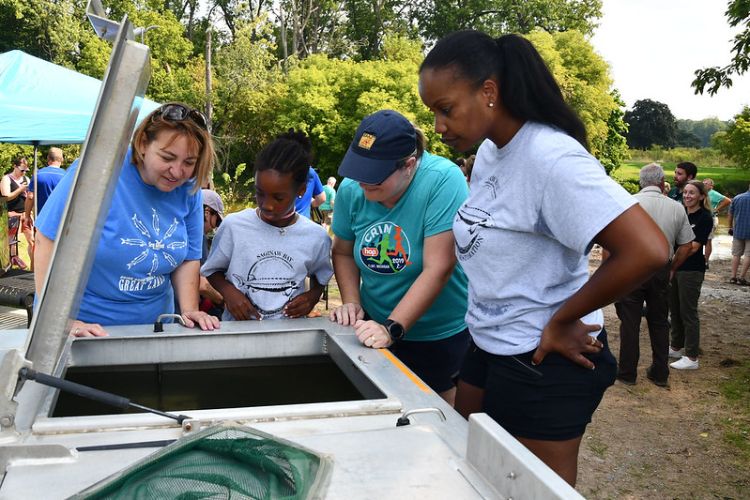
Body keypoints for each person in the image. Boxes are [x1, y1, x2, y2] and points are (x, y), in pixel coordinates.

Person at [418, 30, 668, 485]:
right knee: (472, 470)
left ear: (489, 92)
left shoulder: (551, 158)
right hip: (490, 344)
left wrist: (562, 318)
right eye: (433, 112)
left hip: (542, 359)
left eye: (445, 109)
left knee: (530, 491)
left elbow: (647, 249)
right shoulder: (493, 151)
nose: (438, 125)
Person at [35, 102, 220, 337]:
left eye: (189, 163)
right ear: (143, 144)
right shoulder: (99, 168)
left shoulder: (189, 187)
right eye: (167, 157)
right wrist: (61, 321)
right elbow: (46, 240)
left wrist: (190, 309)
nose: (177, 171)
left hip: (156, 327)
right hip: (87, 328)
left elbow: (188, 258)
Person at [329, 109, 470, 405]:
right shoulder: (352, 189)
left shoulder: (442, 180)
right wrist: (353, 302)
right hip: (374, 326)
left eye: (375, 177)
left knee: (438, 419)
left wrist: (392, 328)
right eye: (359, 170)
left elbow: (438, 267)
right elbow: (342, 251)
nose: (363, 183)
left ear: (409, 165)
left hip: (437, 334)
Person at [202, 130, 333, 321]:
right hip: (238, 334)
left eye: (278, 197)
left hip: (289, 338)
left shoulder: (315, 236)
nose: (267, 204)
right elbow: (212, 270)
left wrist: (312, 297)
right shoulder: (234, 226)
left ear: (301, 190)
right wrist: (229, 293)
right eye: (259, 193)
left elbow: (321, 277)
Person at [614, 164, 695, 387]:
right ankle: (660, 372)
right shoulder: (676, 207)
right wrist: (672, 268)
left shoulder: (627, 203)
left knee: (629, 322)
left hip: (631, 268)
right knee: (659, 321)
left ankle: (627, 372)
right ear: (661, 183)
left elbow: (614, 242)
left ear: (641, 182)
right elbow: (687, 245)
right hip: (660, 267)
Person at [668, 180, 713, 370]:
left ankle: (692, 357)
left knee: (688, 312)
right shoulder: (680, 213)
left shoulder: (705, 217)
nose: (687, 196)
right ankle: (676, 347)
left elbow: (693, 247)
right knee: (675, 310)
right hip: (675, 268)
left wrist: (672, 265)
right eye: (685, 192)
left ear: (702, 196)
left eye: (692, 193)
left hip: (691, 270)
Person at [1, 156, 32, 268]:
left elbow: (30, 197)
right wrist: (20, 189)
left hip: (25, 214)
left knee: (32, 240)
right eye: (21, 170)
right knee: (11, 241)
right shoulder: (7, 179)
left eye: (25, 170)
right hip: (11, 214)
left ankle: (33, 266)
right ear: (15, 166)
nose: (23, 173)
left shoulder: (27, 179)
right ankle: (12, 261)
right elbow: (6, 197)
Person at [198, 189, 225, 317]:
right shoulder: (198, 236)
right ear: (207, 212)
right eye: (217, 221)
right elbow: (201, 284)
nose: (215, 227)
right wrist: (223, 301)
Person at [25, 147, 66, 225]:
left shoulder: (38, 174)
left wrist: (27, 216)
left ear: (48, 158)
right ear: (62, 159)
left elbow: (30, 197)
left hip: (41, 219)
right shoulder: (66, 175)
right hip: (60, 219)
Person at [702, 178, 732, 266]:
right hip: (702, 218)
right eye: (703, 183)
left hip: (711, 219)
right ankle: (699, 259)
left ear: (711, 186)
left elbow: (728, 200)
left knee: (708, 240)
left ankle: (706, 261)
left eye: (706, 183)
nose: (704, 184)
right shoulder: (702, 193)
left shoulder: (713, 193)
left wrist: (716, 209)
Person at [728, 183, 750, 285]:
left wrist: (730, 227)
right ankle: (741, 278)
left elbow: (730, 213)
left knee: (736, 254)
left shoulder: (737, 198)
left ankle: (733, 277)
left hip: (738, 230)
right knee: (748, 255)